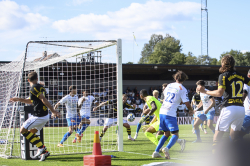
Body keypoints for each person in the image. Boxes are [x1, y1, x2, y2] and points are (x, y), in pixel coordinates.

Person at [197, 55, 250, 153]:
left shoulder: (223, 75)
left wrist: (205, 91)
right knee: (235, 138)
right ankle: (238, 159)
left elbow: (219, 93)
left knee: (217, 137)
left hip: (229, 108)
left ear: (223, 64)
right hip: (241, 109)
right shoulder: (242, 75)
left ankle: (215, 159)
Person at [10, 71, 60, 161]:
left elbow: (43, 100)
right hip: (44, 116)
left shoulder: (34, 88)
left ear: (28, 80)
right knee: (31, 132)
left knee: (23, 130)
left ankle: (41, 148)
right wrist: (18, 99)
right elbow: (31, 101)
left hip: (39, 116)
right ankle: (44, 153)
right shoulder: (41, 87)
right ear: (37, 79)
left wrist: (54, 111)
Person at [152, 70, 193, 159]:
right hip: (170, 113)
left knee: (166, 134)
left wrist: (178, 101)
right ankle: (166, 148)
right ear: (184, 79)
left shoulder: (169, 85)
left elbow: (167, 97)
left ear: (175, 77)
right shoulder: (183, 89)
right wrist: (191, 110)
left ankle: (156, 151)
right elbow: (187, 103)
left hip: (162, 111)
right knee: (175, 134)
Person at [240, 70, 250, 137]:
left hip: (248, 114)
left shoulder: (246, 84)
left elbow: (244, 93)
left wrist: (240, 103)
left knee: (237, 134)